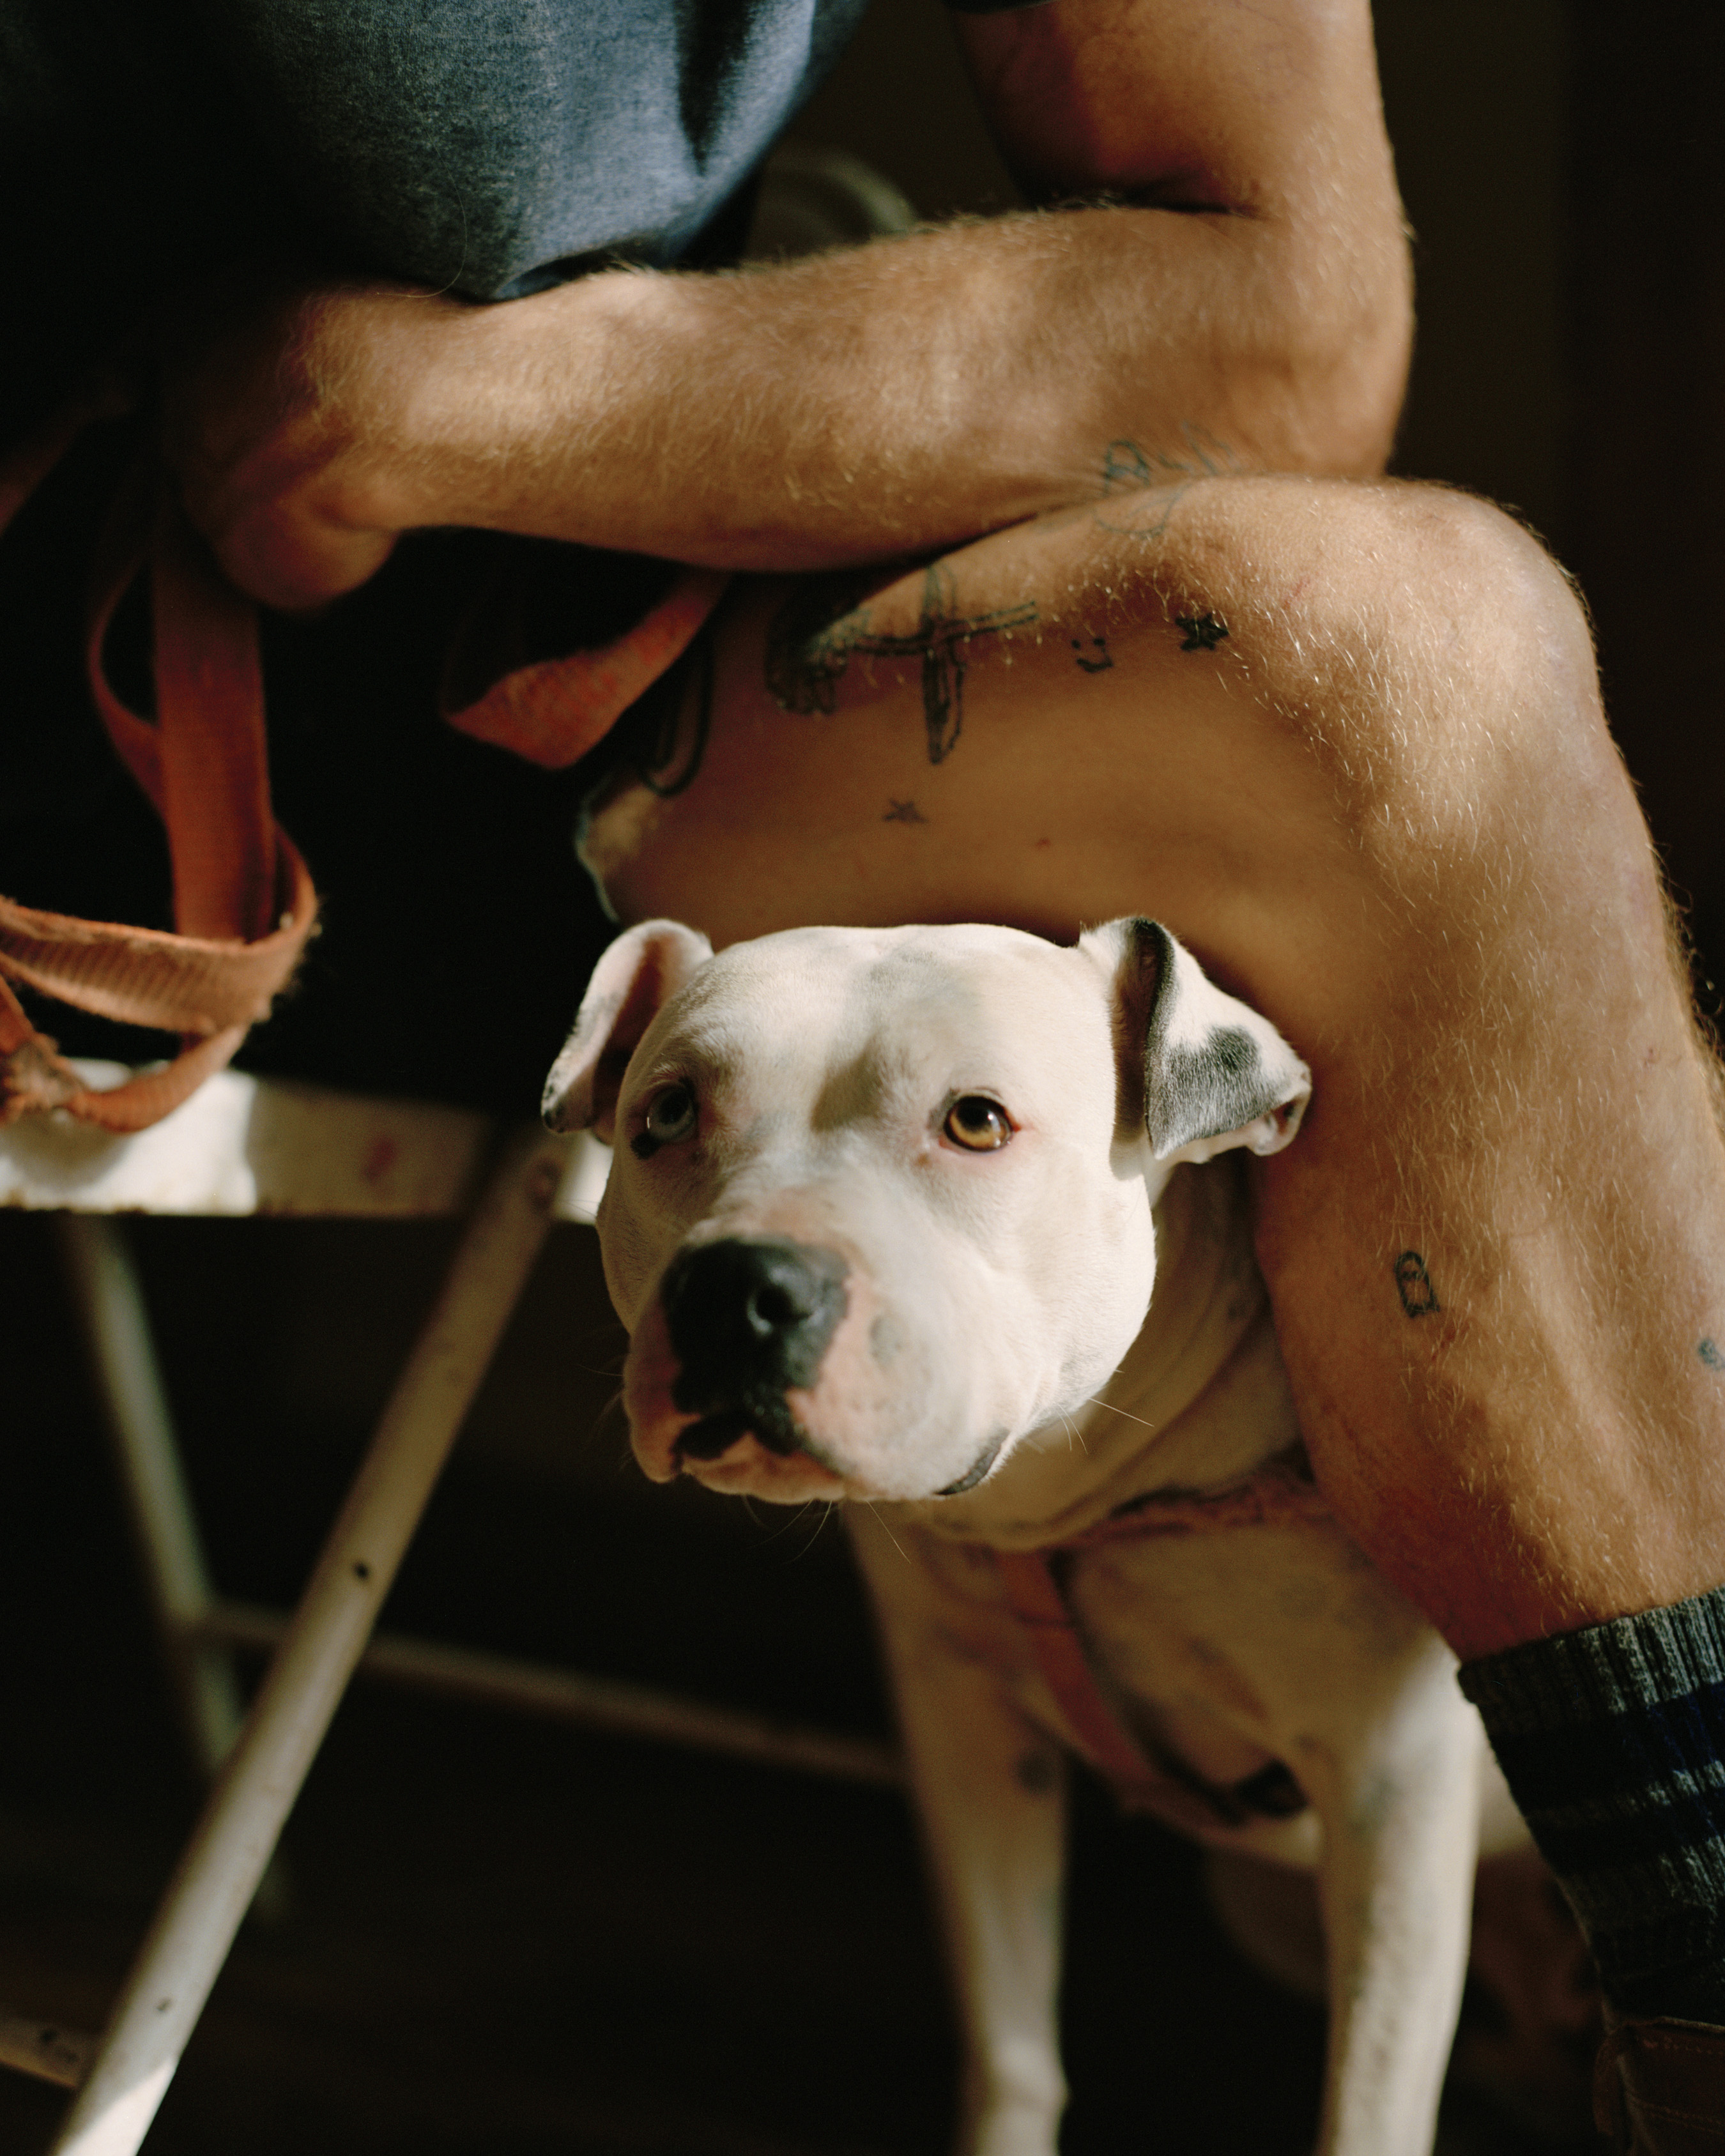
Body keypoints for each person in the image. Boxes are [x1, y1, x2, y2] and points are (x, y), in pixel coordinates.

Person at [9, 0, 1724, 2141]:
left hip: (577, 606)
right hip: (147, 668)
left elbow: (1284, 325)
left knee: (1429, 644)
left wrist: (442, 408)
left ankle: (1687, 1948)